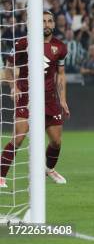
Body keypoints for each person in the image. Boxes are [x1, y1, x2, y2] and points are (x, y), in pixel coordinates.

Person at [0, 11, 69, 187]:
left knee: (56, 141)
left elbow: (60, 75)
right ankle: (1, 175)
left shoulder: (60, 47)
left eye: (49, 21)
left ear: (54, 24)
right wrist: (13, 86)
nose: (46, 24)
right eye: (43, 21)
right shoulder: (24, 42)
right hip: (27, 96)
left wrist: (63, 100)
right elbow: (9, 67)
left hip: (49, 99)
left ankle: (48, 169)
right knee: (19, 137)